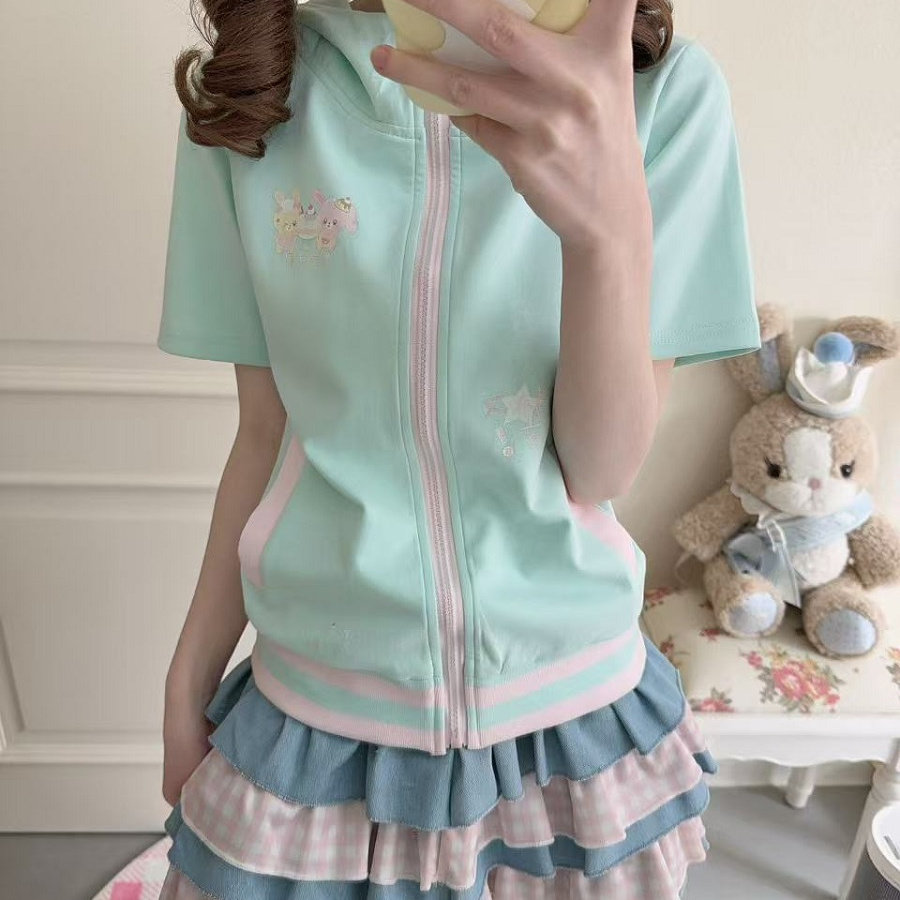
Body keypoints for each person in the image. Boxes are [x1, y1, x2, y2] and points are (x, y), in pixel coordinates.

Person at [157, 0, 761, 896]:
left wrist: (607, 236)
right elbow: (263, 433)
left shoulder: (656, 95)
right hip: (313, 725)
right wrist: (189, 674)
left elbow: (602, 469)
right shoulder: (249, 98)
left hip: (571, 730)